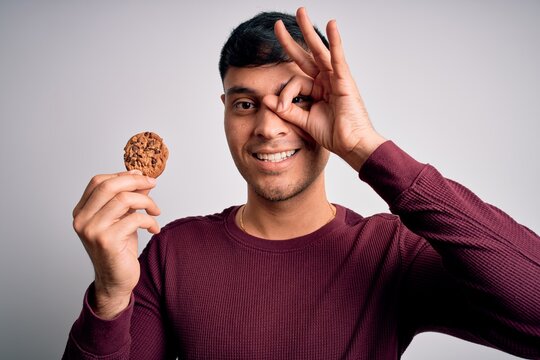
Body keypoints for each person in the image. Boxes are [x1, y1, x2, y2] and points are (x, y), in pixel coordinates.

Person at [62, 7, 540, 360]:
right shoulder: (173, 252)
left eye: (296, 100)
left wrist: (366, 147)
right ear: (224, 111)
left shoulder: (390, 251)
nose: (269, 128)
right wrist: (108, 296)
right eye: (245, 104)